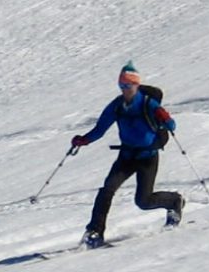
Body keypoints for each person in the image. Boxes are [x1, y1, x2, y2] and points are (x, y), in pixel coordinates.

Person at [69, 63, 183, 247]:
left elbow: (171, 125)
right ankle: (95, 232)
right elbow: (100, 129)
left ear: (136, 85)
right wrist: (84, 140)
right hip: (127, 156)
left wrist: (165, 118)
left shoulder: (148, 104)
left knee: (143, 201)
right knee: (107, 189)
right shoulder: (117, 106)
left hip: (148, 157)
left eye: (128, 85)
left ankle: (174, 201)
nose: (125, 89)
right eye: (122, 85)